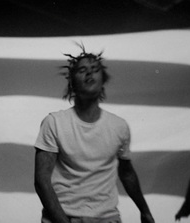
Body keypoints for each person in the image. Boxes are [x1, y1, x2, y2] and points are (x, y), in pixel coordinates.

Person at [34, 46, 155, 223]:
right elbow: (42, 181)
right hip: (63, 217)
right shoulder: (54, 122)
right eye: (82, 70)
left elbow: (127, 173)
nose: (89, 74)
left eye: (95, 70)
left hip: (107, 218)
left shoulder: (118, 126)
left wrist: (144, 211)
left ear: (103, 79)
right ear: (72, 82)